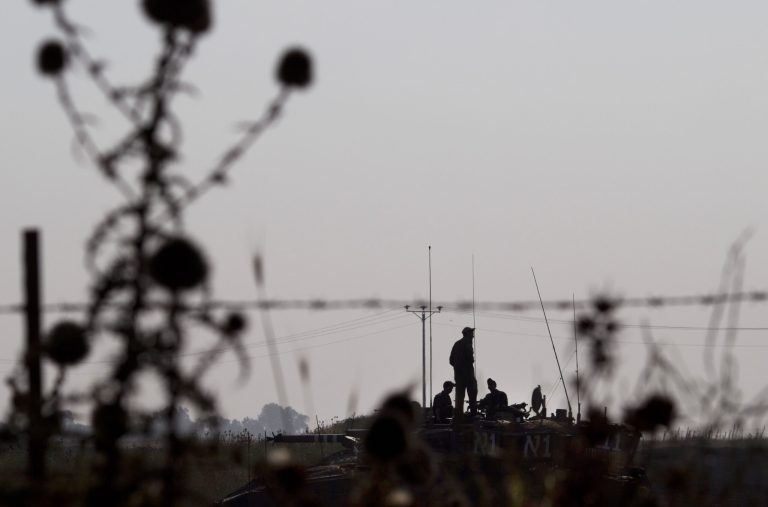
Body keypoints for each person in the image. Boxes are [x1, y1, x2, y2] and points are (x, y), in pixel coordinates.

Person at [449, 327, 477, 422]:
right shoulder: (467, 344)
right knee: (472, 393)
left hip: (459, 376)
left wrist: (458, 367)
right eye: (471, 334)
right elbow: (471, 359)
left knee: (459, 397)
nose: (473, 336)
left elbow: (451, 360)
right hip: (468, 375)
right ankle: (473, 414)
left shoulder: (456, 344)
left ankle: (459, 416)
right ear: (467, 334)